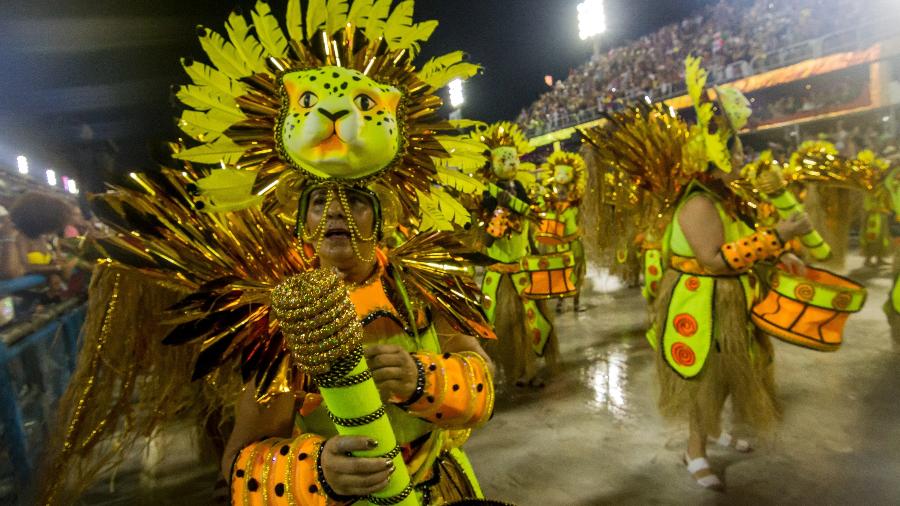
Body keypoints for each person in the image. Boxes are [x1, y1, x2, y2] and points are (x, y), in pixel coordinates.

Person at [40, 2, 498, 504]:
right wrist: (317, 472)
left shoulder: (421, 285)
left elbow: (483, 389)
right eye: (320, 201)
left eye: (356, 202)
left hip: (442, 487)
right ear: (300, 219)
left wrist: (427, 379)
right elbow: (240, 466)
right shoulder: (279, 313)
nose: (336, 214)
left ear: (383, 216)